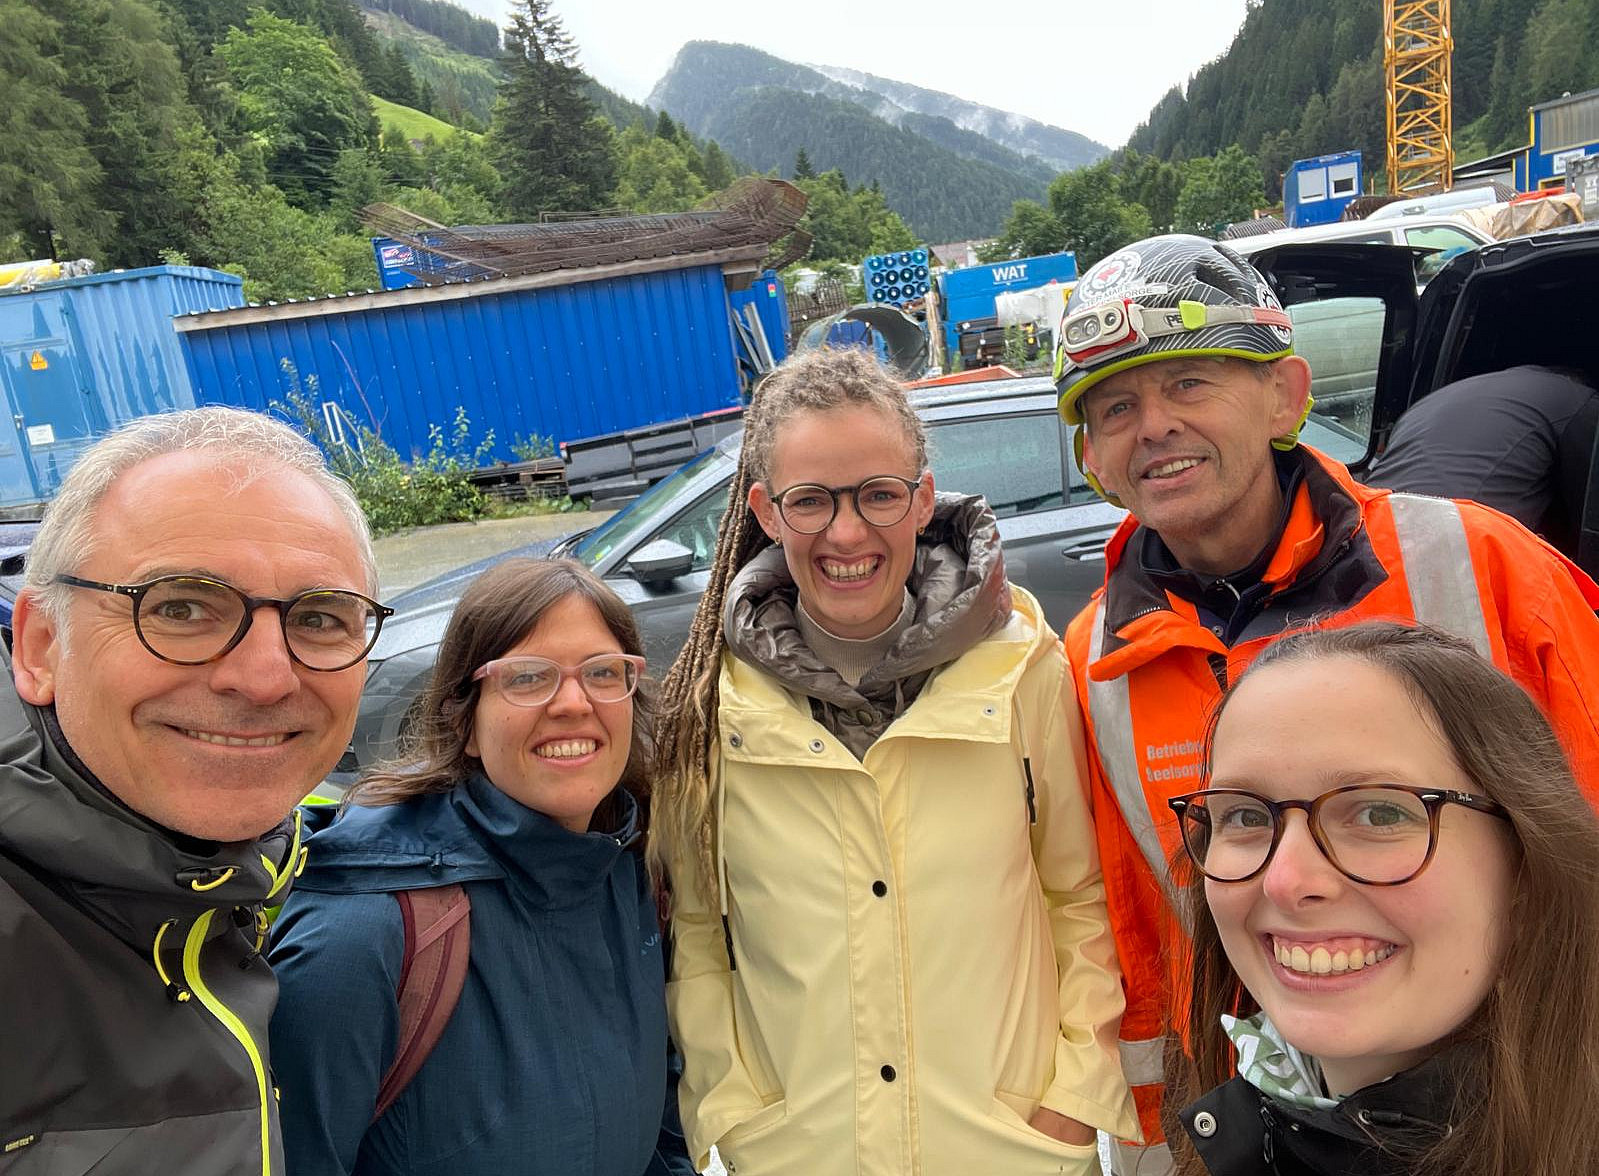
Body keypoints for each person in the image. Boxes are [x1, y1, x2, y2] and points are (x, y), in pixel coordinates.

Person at [1052, 233, 1599, 1172]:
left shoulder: (1476, 562)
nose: (1152, 426)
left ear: (1286, 397)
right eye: (1114, 407)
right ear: (1095, 459)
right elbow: (1137, 920)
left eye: (1189, 384)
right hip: (1268, 1115)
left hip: (1517, 1091)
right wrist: (1171, 1123)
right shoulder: (1094, 657)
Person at [652, 347, 1138, 1175]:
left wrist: (1075, 1092)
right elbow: (700, 936)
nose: (846, 533)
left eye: (878, 495)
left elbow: (1078, 894)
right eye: (810, 501)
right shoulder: (707, 707)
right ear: (767, 511)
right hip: (801, 1154)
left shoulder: (1023, 667)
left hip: (1009, 1148)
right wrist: (729, 1110)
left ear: (921, 500)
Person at [0, 407, 383, 1173]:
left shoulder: (252, 875)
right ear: (41, 646)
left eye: (318, 618)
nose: (267, 677)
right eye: (178, 607)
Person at [269, 558, 691, 1176]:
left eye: (604, 673)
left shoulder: (633, 875)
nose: (574, 703)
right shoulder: (364, 936)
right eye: (526, 678)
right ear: (464, 721)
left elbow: (658, 1135)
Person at [1166, 622, 1599, 1176]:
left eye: (1380, 813)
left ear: (1524, 863)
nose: (1284, 881)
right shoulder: (1241, 1134)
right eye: (1246, 816)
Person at [1366, 364, 1599, 557]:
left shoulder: (1438, 397)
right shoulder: (1581, 401)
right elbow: (1588, 504)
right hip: (1456, 543)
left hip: (1364, 532)